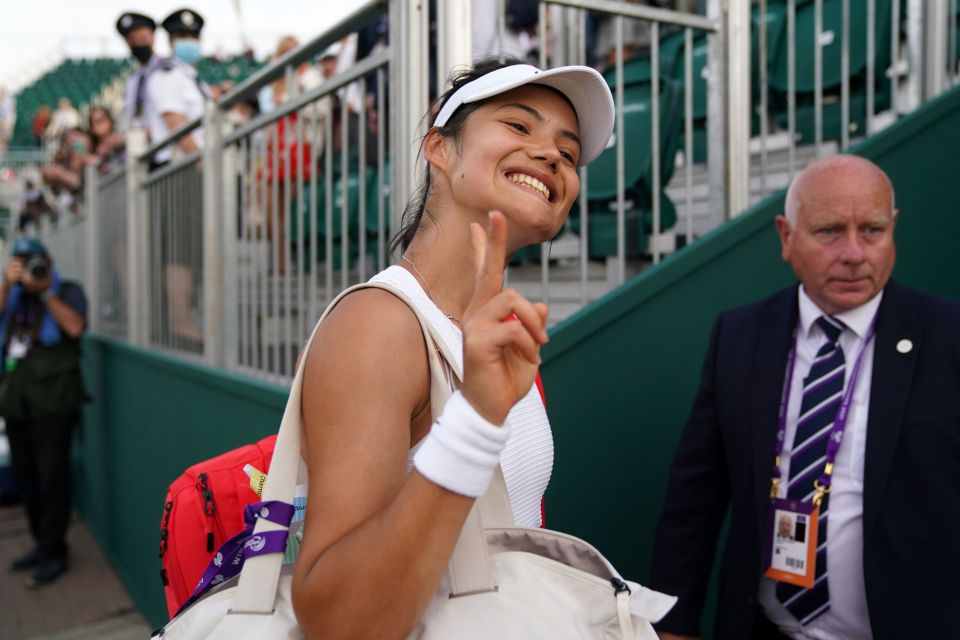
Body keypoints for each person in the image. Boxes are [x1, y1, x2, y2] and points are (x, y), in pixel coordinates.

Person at [289, 58, 614, 637]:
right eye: (519, 126)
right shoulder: (378, 324)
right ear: (438, 147)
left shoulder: (495, 330)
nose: (550, 156)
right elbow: (337, 621)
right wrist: (475, 419)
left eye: (568, 153)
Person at [648, 154, 960, 640]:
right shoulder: (739, 336)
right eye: (830, 231)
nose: (855, 253)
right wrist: (673, 623)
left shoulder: (949, 338)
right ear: (786, 236)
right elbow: (695, 499)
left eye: (873, 230)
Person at [1, 238, 87, 588]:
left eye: (33, 260)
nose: (28, 267)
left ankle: (55, 552)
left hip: (54, 402)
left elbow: (75, 327)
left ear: (48, 260)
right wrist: (8, 284)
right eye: (19, 261)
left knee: (52, 477)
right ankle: (41, 544)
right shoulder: (13, 297)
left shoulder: (67, 289)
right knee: (26, 477)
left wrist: (46, 291)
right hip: (17, 400)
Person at [144, 7, 210, 166]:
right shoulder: (167, 76)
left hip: (191, 164)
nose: (189, 40)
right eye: (181, 36)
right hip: (181, 166)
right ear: (170, 41)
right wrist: (203, 165)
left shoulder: (191, 78)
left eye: (193, 36)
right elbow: (178, 128)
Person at [115, 11, 163, 132]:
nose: (137, 44)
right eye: (132, 40)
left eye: (141, 38)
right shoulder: (132, 79)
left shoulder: (168, 71)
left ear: (152, 37)